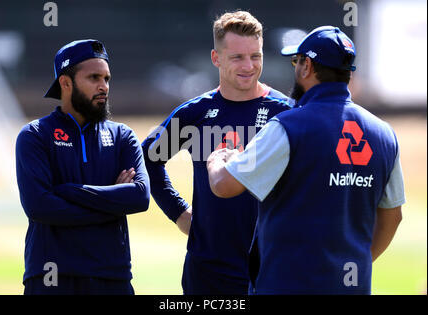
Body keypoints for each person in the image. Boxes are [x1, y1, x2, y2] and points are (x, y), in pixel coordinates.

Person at [207, 26, 405, 294]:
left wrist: (219, 160)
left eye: (296, 60)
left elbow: (224, 185)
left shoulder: (288, 127)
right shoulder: (384, 134)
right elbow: (393, 216)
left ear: (306, 66)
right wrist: (357, 264)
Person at [142, 11, 294, 294]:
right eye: (237, 57)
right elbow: (149, 160)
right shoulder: (196, 113)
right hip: (208, 271)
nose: (248, 66)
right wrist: (179, 213)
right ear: (216, 58)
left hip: (270, 269)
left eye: (256, 56)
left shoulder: (285, 112)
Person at [16, 39, 150, 295]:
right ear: (65, 83)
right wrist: (112, 201)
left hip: (112, 277)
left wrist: (67, 191)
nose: (104, 86)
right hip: (51, 279)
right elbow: (40, 207)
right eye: (94, 78)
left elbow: (139, 197)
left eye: (107, 79)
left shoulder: (123, 136)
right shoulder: (35, 135)